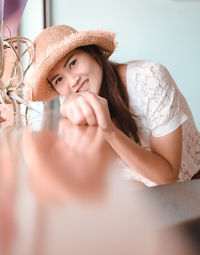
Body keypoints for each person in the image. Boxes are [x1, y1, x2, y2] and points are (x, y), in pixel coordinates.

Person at [24, 24, 200, 186]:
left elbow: (167, 177)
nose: (73, 81)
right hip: (136, 195)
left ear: (92, 52)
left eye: (73, 63)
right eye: (59, 79)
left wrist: (109, 131)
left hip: (187, 188)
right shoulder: (73, 99)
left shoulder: (149, 79)